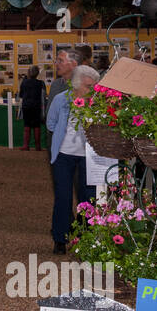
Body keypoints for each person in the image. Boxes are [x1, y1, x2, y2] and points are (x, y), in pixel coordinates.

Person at [47, 64, 100, 254]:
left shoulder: (97, 103)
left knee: (88, 198)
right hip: (63, 156)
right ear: (76, 84)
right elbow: (51, 123)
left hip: (89, 157)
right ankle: (60, 239)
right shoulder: (61, 100)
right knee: (63, 196)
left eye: (94, 86)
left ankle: (86, 238)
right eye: (88, 86)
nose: (92, 90)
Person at [18, 65, 46, 151]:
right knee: (37, 126)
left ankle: (26, 145)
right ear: (37, 73)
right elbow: (44, 96)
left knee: (27, 125)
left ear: (29, 73)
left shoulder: (24, 82)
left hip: (26, 106)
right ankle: (38, 146)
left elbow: (21, 95)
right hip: (37, 106)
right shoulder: (41, 83)